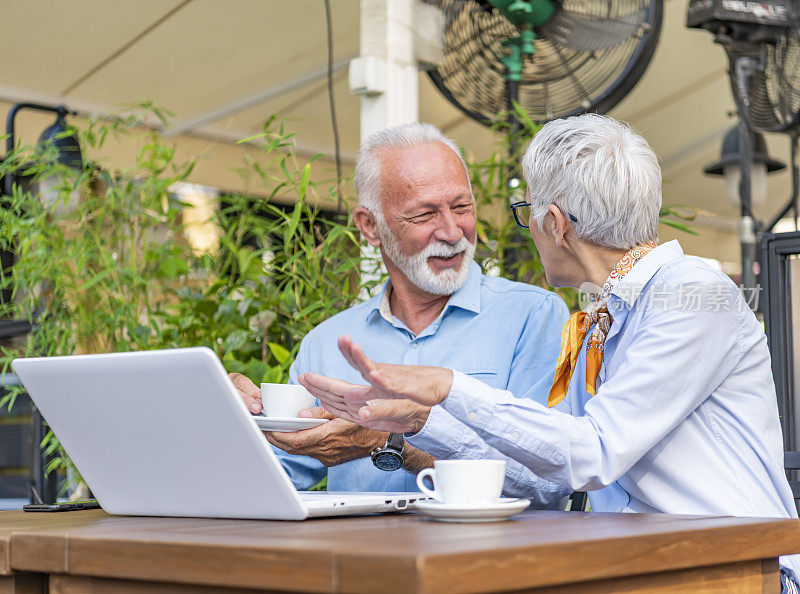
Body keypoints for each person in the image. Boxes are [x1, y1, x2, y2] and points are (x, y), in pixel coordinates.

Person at [299, 114, 800, 589]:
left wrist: (449, 388)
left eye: (527, 213)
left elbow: (593, 452)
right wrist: (416, 422)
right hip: (648, 568)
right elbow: (540, 466)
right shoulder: (603, 317)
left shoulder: (693, 294)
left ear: (555, 223)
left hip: (738, 569)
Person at [230, 122, 569, 503]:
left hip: (484, 557)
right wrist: (230, 417)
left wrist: (391, 442)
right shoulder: (324, 343)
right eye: (424, 215)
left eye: (462, 207)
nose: (453, 231)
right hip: (354, 560)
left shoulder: (533, 316)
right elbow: (267, 481)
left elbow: (548, 480)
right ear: (370, 227)